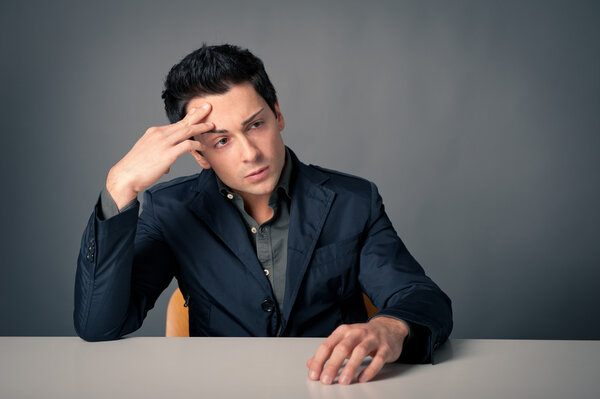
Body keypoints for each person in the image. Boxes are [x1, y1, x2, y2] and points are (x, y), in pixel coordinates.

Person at [74, 44, 453, 385]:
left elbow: (420, 296)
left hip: (334, 388)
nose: (250, 154)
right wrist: (119, 185)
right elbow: (100, 325)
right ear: (199, 154)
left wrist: (391, 326)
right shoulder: (170, 209)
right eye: (221, 141)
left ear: (278, 115)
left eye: (255, 125)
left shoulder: (353, 200)